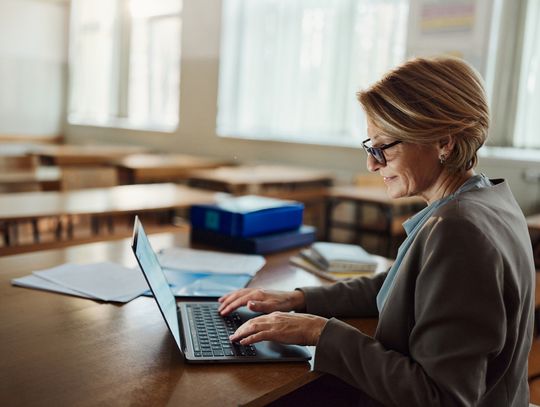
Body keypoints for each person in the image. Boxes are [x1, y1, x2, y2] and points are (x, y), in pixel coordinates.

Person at [218, 56, 535, 406]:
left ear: (444, 142)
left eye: (384, 147)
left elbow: (442, 398)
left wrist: (321, 333)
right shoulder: (488, 199)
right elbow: (402, 286)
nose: (372, 163)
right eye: (370, 146)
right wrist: (301, 299)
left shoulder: (459, 230)